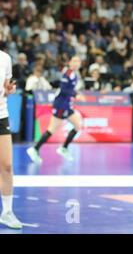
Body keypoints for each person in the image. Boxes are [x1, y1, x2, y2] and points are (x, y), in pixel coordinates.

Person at [27, 56, 83, 164]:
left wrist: (74, 94)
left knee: (77, 125)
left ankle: (63, 148)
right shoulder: (67, 74)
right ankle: (35, 149)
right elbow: (64, 90)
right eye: (74, 61)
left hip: (66, 105)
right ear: (70, 62)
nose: (76, 63)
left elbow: (70, 90)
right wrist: (76, 95)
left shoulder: (74, 75)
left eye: (78, 61)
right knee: (52, 129)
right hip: (61, 106)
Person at [0, 49, 23, 229]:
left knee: (7, 166)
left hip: (1, 115)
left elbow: (7, 88)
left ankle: (7, 212)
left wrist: (10, 89)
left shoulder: (5, 58)